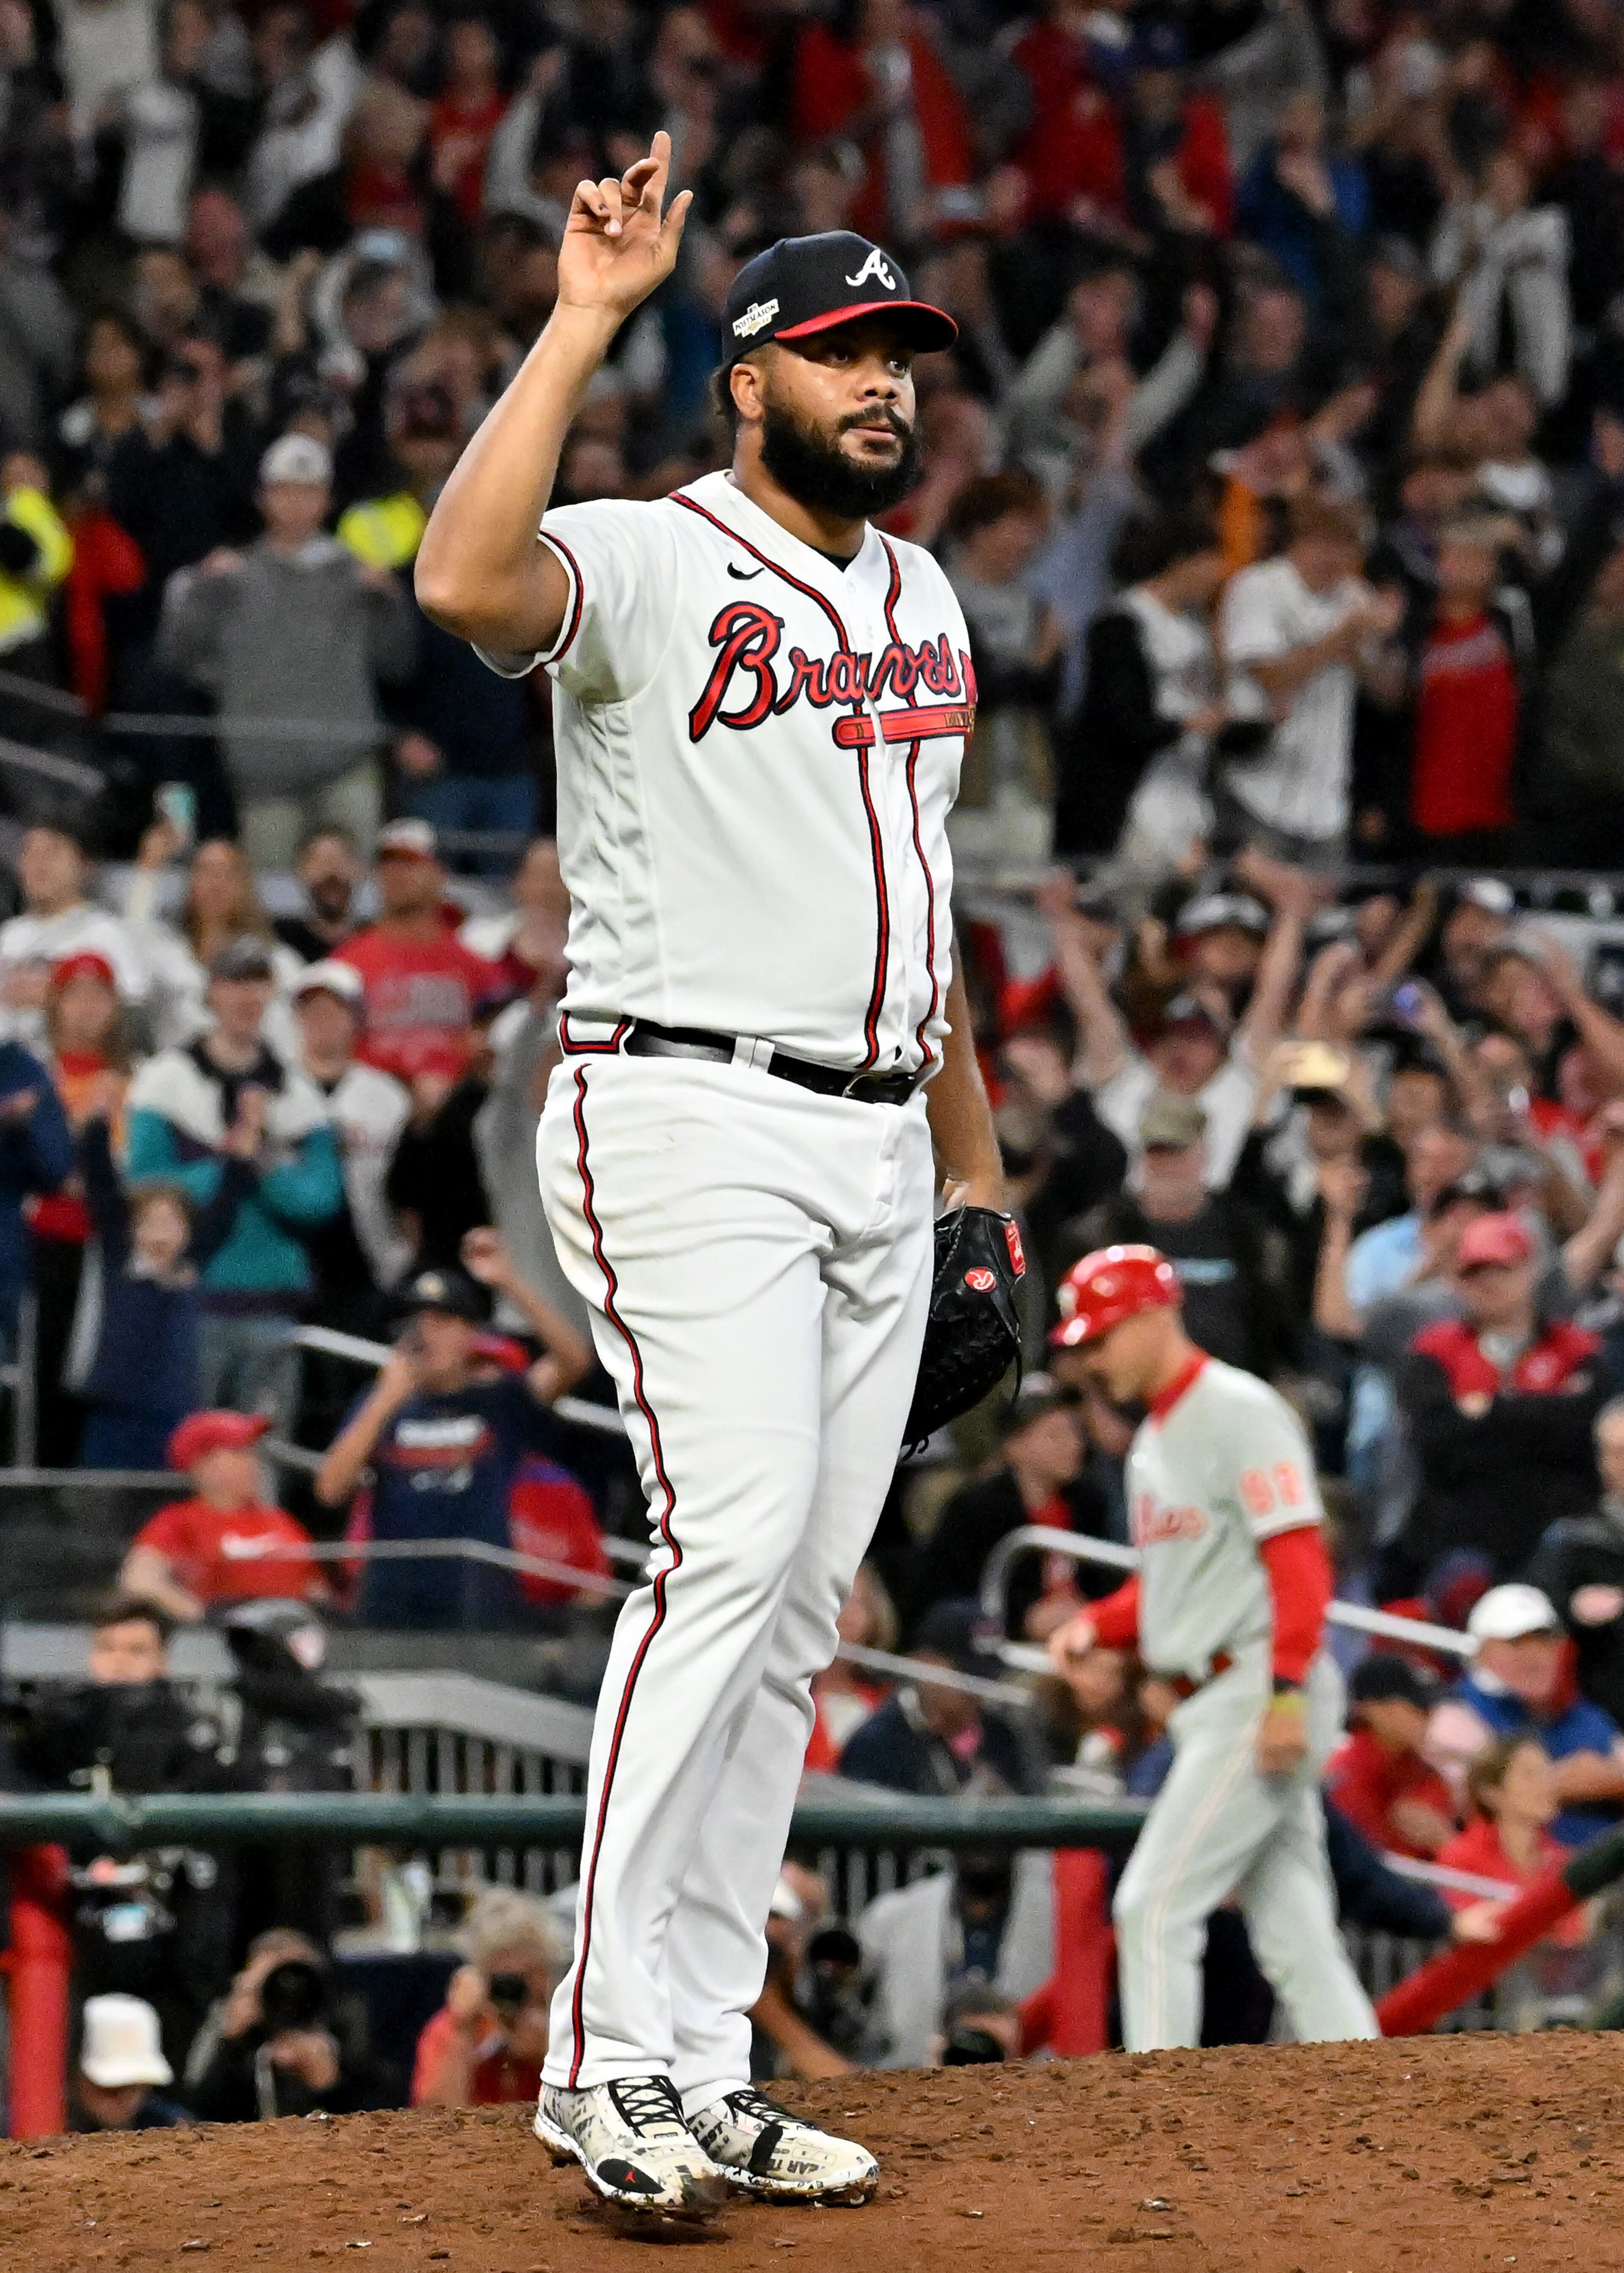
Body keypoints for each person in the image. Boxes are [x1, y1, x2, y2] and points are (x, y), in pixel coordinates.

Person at [413, 144, 1000, 2213]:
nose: (884, 385)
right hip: (680, 1110)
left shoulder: (923, 597)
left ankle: (696, 2050)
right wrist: (583, 317)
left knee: (795, 1615)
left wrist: (979, 1191)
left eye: (902, 355)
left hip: (867, 1129)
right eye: (843, 352)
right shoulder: (654, 560)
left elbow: (923, 926)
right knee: (730, 1550)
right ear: (749, 376)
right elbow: (465, 588)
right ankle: (594, 2051)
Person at [1046, 1243, 1379, 2052]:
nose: (1091, 1359)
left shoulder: (1239, 1407)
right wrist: (1097, 1625)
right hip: (1219, 1689)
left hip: (1257, 1684)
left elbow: (1299, 1560)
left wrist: (1289, 1694)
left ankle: (1161, 2111)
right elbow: (1170, 1584)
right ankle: (1381, 2090)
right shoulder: (1154, 1439)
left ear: (1157, 1315)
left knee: (1153, 1905)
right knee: (1294, 1926)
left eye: (1102, 1337)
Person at [157, 430, 417, 868]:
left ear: (326, 500)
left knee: (357, 895)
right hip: (264, 778)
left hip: (347, 768)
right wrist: (201, 593)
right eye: (284, 491)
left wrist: (391, 604)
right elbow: (178, 658)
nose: (296, 504)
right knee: (272, 899)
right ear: (264, 498)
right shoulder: (232, 578)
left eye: (308, 492)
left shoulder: (357, 578)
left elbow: (399, 666)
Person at [313, 1232, 593, 1628]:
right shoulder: (383, 1403)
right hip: (392, 1600)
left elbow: (574, 1360)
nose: (428, 1333)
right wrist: (385, 1399)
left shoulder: (499, 1399)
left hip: (478, 1600)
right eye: (419, 1322)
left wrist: (510, 1281)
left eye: (443, 1321)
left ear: (470, 1334)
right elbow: (330, 1489)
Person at [124, 937, 345, 1425]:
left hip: (272, 1307)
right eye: (235, 983)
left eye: (259, 983)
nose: (248, 997)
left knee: (263, 1461)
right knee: (184, 1454)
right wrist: (230, 1163)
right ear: (212, 992)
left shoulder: (298, 1094)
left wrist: (260, 1159)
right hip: (187, 1302)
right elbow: (145, 1187)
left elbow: (321, 1201)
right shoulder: (167, 1083)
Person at [1395, 1212, 1608, 1585]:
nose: (1489, 1283)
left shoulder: (1578, 1349)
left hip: (1558, 1523)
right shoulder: (1435, 1351)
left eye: (1502, 1269)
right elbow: (1438, 1443)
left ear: (1529, 1270)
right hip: (1462, 1529)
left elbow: (1583, 1431)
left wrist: (1488, 1411)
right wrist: (1546, 1412)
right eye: (1475, 1273)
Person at [1217, 497, 1405, 865]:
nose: (1330, 558)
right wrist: (1342, 636)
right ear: (1297, 542)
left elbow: (1390, 696)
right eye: (1320, 543)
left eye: (1343, 546)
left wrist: (1380, 647)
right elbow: (1272, 680)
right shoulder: (1258, 587)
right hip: (1257, 785)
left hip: (1325, 801)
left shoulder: (1357, 597)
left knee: (1323, 916)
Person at [1068, 1091, 1300, 1382]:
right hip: (1131, 1403)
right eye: (1155, 1150)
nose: (1165, 1163)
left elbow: (1280, 1338)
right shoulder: (1101, 1236)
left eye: (1176, 1150)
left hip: (1232, 1398)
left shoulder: (1249, 1235)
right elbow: (1074, 1345)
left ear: (1204, 1151)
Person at [72, 1111, 241, 1467]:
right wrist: (99, 1124)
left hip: (173, 1411)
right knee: (103, 1497)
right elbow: (101, 1185)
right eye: (150, 1221)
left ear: (188, 1231)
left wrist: (240, 1157)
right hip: (115, 1407)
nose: (161, 1231)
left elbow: (226, 1208)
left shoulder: (193, 1264)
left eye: (172, 1221)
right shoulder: (121, 1261)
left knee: (165, 1496)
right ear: (133, 1229)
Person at [1426, 1582, 1624, 1848]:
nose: (1534, 1655)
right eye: (1517, 1642)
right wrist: (1563, 1783)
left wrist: (1610, 1780)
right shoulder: (1458, 1716)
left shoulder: (1581, 1714)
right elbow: (1471, 1801)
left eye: (1544, 1640)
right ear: (1482, 1652)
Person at [912, 1374, 1111, 1640]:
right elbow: (946, 1599)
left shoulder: (1088, 1503)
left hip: (1081, 1635)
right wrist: (1024, 1619)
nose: (1073, 1444)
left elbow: (1104, 1583)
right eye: (1055, 1435)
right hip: (1004, 1651)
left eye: (1076, 1432)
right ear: (1015, 1446)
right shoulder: (977, 1510)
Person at [333, 819, 500, 1084]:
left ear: (439, 874)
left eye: (409, 864)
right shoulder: (347, 963)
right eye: (386, 865)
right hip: (376, 1103)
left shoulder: (472, 964)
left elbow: (494, 1038)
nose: (395, 874)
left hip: (454, 1101)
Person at [120, 1410, 326, 1621]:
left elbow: (316, 1589)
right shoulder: (178, 1521)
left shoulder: (281, 1521)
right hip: (222, 1637)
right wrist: (202, 1618)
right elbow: (139, 1579)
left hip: (292, 1631)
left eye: (251, 1452)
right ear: (203, 1464)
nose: (253, 1463)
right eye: (239, 1452)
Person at [838, 1600, 1025, 1796]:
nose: (979, 1692)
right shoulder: (878, 1747)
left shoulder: (1002, 1735)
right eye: (968, 1675)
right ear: (927, 1664)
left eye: (990, 1676)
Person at [411, 1885, 569, 2107]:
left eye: (530, 1974)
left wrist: (548, 2055)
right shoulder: (453, 2030)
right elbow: (434, 2121)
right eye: (505, 1979)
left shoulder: (573, 2028)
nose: (519, 1989)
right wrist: (462, 2032)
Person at [1435, 1737, 1592, 1950]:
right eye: (1530, 1775)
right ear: (1492, 1794)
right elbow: (1470, 1934)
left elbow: (1572, 1941)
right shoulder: (1460, 1858)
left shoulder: (1563, 1861)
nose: (1546, 1784)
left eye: (1547, 1772)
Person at [1525, 1397, 1624, 1726]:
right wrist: (1570, 1606)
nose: (1617, 1465)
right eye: (1610, 1453)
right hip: (1602, 1711)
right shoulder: (1574, 1537)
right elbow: (1533, 1608)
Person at [1323, 1654, 1455, 1860]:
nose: (1428, 1717)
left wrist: (1445, 1841)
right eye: (1418, 1707)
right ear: (1377, 1711)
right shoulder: (1347, 1772)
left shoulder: (1423, 1774)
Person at [70, 1995, 191, 2132]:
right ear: (77, 2075)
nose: (125, 2100)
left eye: (136, 2087)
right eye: (112, 2089)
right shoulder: (50, 2123)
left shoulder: (171, 2125)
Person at [273, 828, 365, 964]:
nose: (331, 873)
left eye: (340, 861)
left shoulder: (375, 939)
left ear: (359, 870)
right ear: (301, 871)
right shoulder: (280, 941)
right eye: (321, 862)